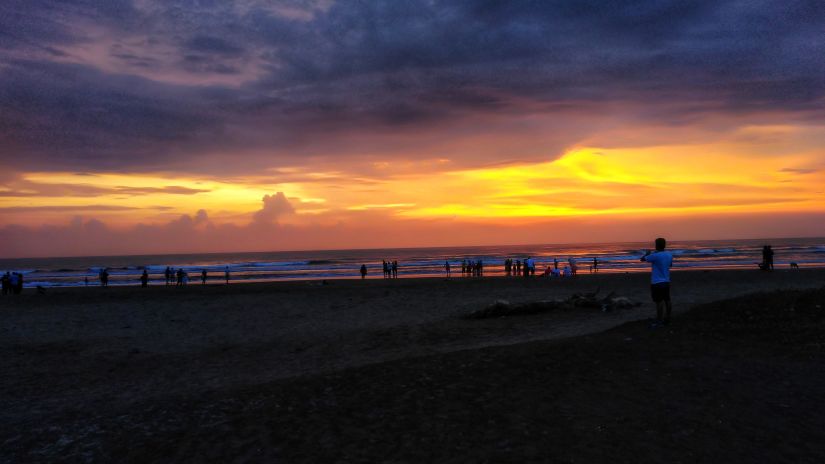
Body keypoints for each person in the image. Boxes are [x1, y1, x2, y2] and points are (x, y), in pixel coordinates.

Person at [641, 237, 673, 327]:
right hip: (666, 281)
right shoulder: (669, 255)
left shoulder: (655, 256)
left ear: (656, 245)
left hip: (657, 282)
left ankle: (659, 320)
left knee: (659, 302)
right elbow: (670, 265)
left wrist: (647, 253)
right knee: (667, 300)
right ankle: (668, 318)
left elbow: (642, 259)